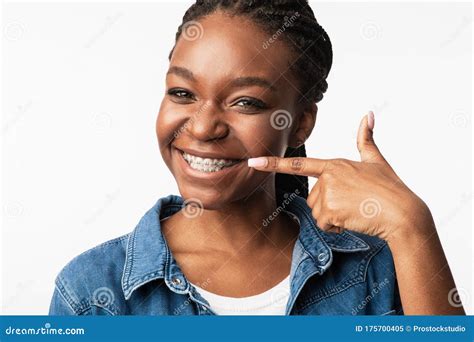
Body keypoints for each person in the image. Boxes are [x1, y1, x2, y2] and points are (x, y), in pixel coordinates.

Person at [49, 0, 464, 315]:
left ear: (300, 124)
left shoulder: (375, 268)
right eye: (182, 93)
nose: (202, 126)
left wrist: (412, 224)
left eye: (246, 102)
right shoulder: (92, 293)